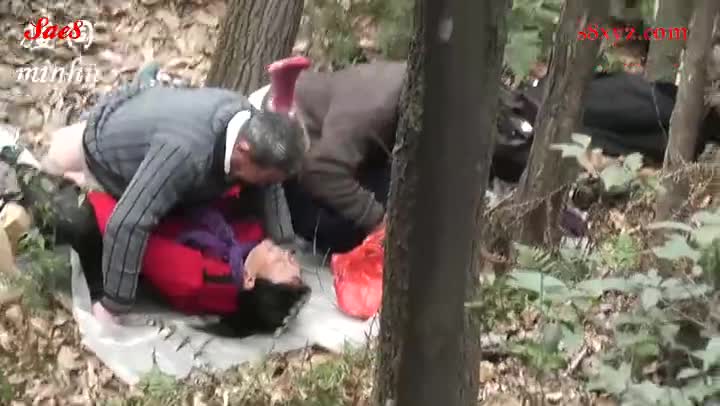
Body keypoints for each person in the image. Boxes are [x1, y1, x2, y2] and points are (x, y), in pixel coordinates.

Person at [38, 63, 310, 322]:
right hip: (106, 150)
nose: (272, 184)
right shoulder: (186, 154)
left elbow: (269, 185)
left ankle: (148, 85)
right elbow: (128, 222)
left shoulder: (248, 121)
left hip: (154, 111)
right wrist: (115, 303)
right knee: (58, 172)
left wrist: (283, 239)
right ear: (244, 151)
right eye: (269, 177)